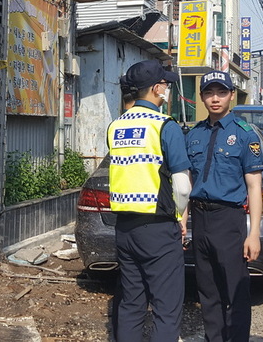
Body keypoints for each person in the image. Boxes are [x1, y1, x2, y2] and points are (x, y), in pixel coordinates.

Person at [108, 60, 192, 342]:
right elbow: (181, 185)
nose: (167, 90)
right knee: (166, 308)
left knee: (131, 303)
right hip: (158, 228)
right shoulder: (164, 126)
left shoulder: (116, 126)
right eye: (165, 85)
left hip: (124, 228)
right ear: (157, 89)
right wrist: (181, 218)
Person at [185, 70, 263, 342]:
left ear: (232, 95)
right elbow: (186, 182)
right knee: (207, 291)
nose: (215, 99)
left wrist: (253, 233)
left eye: (221, 93)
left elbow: (255, 186)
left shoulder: (244, 134)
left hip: (229, 220)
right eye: (209, 93)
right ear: (202, 98)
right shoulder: (194, 134)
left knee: (235, 291)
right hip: (200, 218)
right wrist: (183, 220)